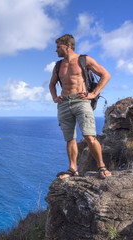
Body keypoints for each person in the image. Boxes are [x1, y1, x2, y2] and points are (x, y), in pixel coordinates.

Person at [49, 34, 112, 179]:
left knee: (89, 136)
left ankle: (101, 166)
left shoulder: (84, 60)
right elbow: (51, 84)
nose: (56, 50)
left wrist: (94, 93)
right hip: (64, 103)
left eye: (58, 47)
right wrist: (54, 97)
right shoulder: (58, 65)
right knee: (69, 138)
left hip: (81, 101)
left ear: (68, 46)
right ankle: (72, 169)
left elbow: (105, 75)